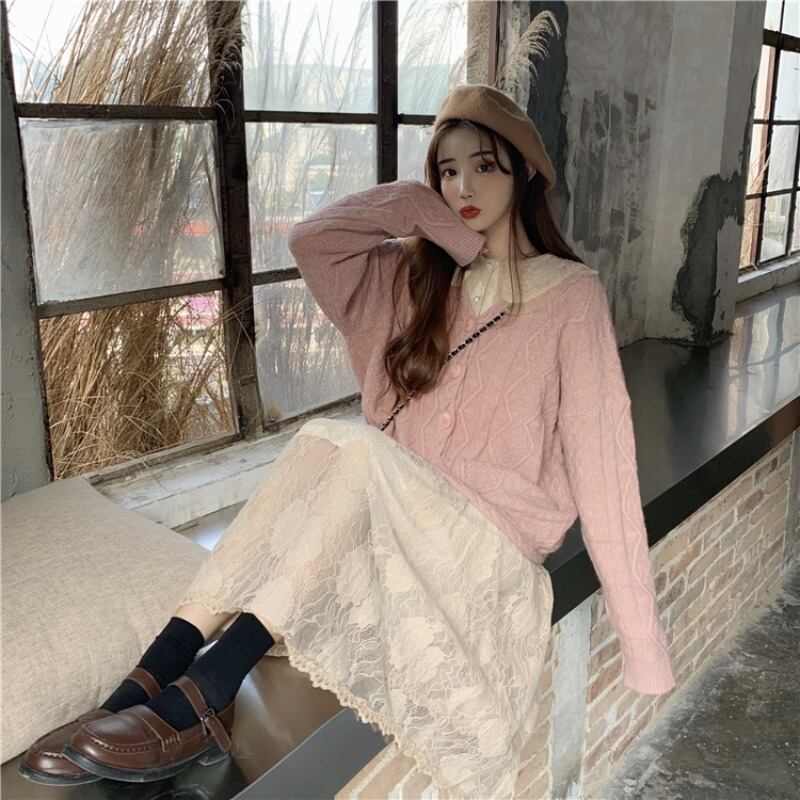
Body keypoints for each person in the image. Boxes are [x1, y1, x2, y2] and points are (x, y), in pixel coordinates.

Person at [20, 83, 675, 799]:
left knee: (349, 444)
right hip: (387, 525)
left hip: (481, 553)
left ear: (525, 173)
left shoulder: (572, 296)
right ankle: (148, 681)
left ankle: (207, 691)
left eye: (485, 166)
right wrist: (423, 213)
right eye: (447, 170)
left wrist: (641, 649)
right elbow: (313, 239)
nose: (462, 187)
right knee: (339, 448)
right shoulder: (415, 276)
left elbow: (605, 469)